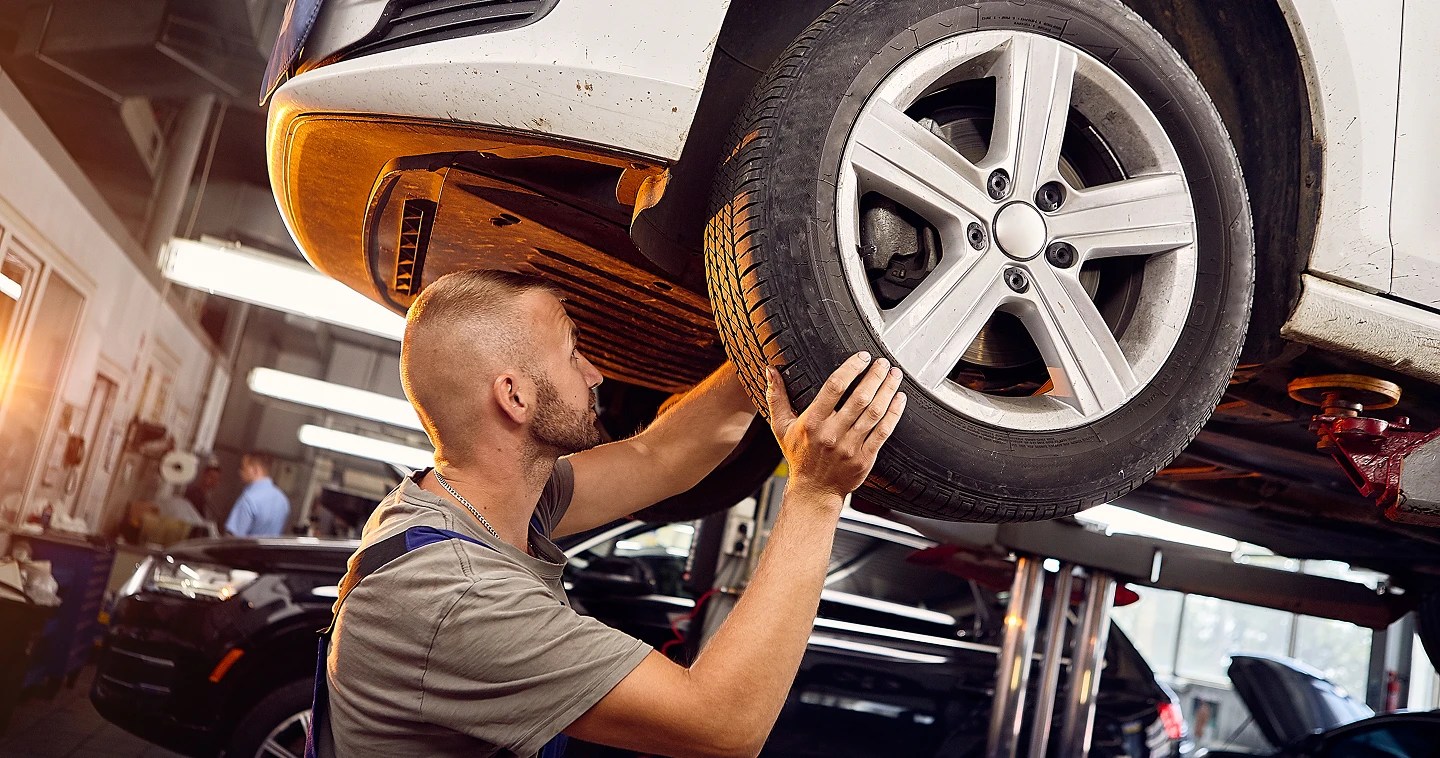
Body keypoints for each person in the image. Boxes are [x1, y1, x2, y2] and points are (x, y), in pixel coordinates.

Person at [315, 270, 905, 758]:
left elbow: (658, 457)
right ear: (514, 396)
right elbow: (723, 725)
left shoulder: (471, 500)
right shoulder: (455, 597)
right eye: (572, 354)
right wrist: (817, 494)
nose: (594, 373)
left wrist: (767, 340)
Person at [224, 451, 291, 537]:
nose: (240, 472)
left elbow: (233, 538)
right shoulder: (283, 500)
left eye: (243, 468)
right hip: (271, 550)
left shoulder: (249, 499)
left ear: (255, 469)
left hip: (247, 550)